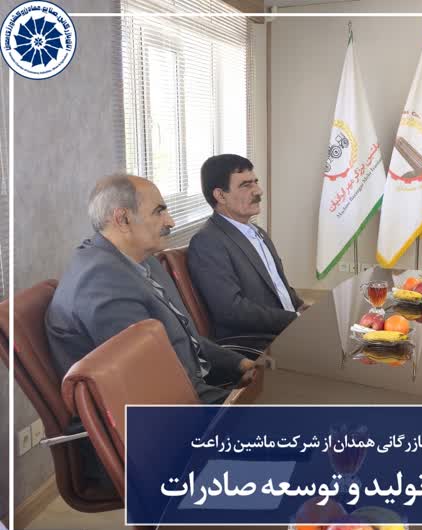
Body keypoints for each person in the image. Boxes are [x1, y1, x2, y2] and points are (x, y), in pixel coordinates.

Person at [47, 175, 255, 406]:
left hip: (192, 388)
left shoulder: (141, 259)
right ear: (123, 219)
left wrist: (240, 364)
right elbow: (154, 386)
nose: (171, 222)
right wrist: (241, 403)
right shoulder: (102, 284)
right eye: (159, 212)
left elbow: (186, 340)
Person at [187, 154, 304, 350]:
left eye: (255, 182)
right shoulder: (207, 242)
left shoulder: (258, 232)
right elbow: (231, 310)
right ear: (220, 195)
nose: (258, 191)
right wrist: (295, 318)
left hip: (286, 329)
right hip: (257, 342)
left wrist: (300, 306)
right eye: (246, 185)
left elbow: (276, 285)